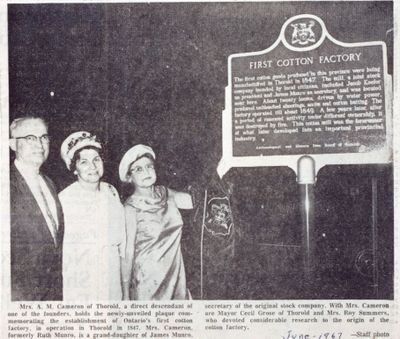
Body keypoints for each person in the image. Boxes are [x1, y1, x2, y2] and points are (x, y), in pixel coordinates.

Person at [119, 144, 193, 300]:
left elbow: (196, 201)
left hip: (175, 275)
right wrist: (125, 294)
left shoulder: (165, 193)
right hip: (148, 281)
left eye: (149, 166)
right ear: (129, 177)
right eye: (138, 169)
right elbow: (127, 253)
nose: (146, 172)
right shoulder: (130, 208)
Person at [59, 131, 126, 301]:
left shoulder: (111, 191)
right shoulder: (65, 199)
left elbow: (121, 241)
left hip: (111, 273)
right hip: (82, 278)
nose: (93, 167)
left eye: (96, 160)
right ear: (75, 169)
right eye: (84, 162)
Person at [10, 116, 64, 301]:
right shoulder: (6, 185)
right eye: (30, 138)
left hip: (51, 297)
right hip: (21, 300)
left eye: (44, 137)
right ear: (12, 144)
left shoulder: (50, 184)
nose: (40, 145)